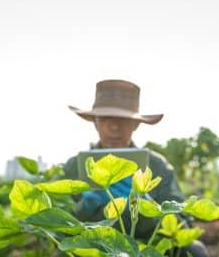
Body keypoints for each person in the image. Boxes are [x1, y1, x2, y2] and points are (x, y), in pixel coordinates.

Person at [63, 79, 208, 257]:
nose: (115, 126)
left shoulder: (157, 166)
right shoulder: (74, 167)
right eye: (106, 118)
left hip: (148, 248)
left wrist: (149, 208)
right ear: (95, 122)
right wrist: (83, 209)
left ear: (136, 124)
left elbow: (184, 225)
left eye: (123, 119)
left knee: (194, 250)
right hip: (94, 248)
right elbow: (58, 226)